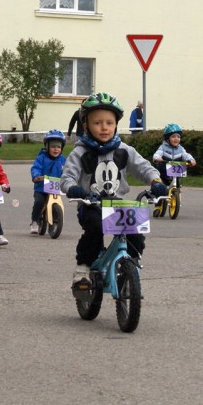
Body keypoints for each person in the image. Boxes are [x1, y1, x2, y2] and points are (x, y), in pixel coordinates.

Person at [60, 92, 167, 286]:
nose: (104, 127)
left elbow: (143, 167)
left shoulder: (124, 150)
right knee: (94, 229)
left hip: (119, 204)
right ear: (85, 125)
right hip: (91, 203)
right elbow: (67, 176)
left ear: (116, 124)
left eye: (109, 122)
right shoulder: (80, 152)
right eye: (97, 122)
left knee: (135, 234)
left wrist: (155, 181)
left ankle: (130, 265)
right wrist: (73, 188)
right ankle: (83, 268)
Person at [29, 130, 66, 234]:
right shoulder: (41, 158)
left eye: (58, 147)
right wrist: (36, 176)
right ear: (47, 146)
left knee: (56, 205)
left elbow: (68, 171)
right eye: (53, 146)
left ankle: (54, 223)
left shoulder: (63, 160)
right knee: (39, 202)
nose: (56, 149)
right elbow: (35, 168)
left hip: (54, 188)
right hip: (41, 187)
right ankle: (35, 221)